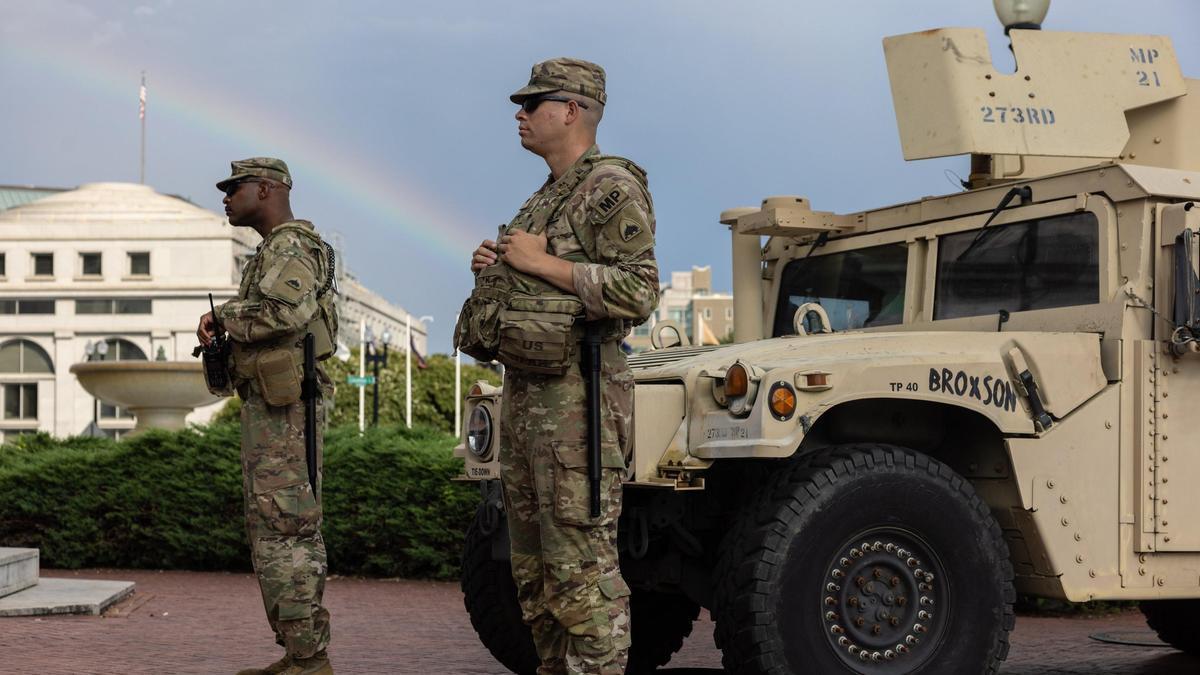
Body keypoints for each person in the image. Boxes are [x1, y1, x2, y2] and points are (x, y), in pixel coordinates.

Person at [466, 58, 659, 674]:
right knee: (536, 580)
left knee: (581, 578)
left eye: (533, 103)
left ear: (572, 109)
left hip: (581, 412)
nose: (520, 115)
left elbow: (640, 290)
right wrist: (497, 268)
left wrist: (543, 264)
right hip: (528, 408)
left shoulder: (610, 188)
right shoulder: (544, 198)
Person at [197, 158, 339, 675]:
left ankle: (309, 658)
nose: (227, 197)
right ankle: (298, 653)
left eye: (234, 188)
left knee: (288, 528)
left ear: (266, 188)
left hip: (288, 411)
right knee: (273, 529)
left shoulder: (292, 246)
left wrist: (224, 316)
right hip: (272, 405)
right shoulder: (271, 251)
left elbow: (286, 313)